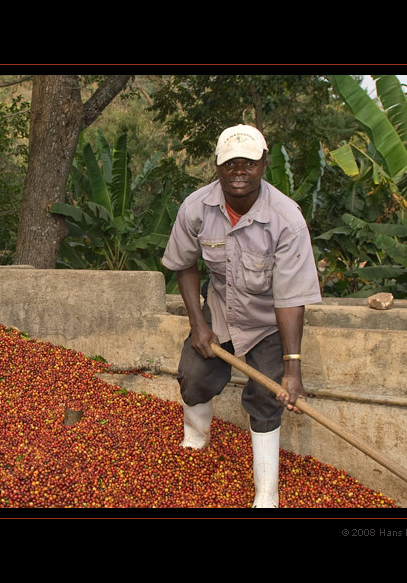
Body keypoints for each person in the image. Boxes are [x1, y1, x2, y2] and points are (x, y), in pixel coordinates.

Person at [162, 124, 322, 508]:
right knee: (194, 377)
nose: (239, 170)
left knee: (267, 394)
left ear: (264, 164)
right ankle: (195, 439)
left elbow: (290, 297)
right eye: (230, 162)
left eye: (248, 162)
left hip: (269, 320)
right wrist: (198, 325)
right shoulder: (197, 207)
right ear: (217, 166)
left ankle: (266, 491)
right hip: (219, 308)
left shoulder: (286, 218)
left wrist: (292, 368)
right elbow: (183, 264)